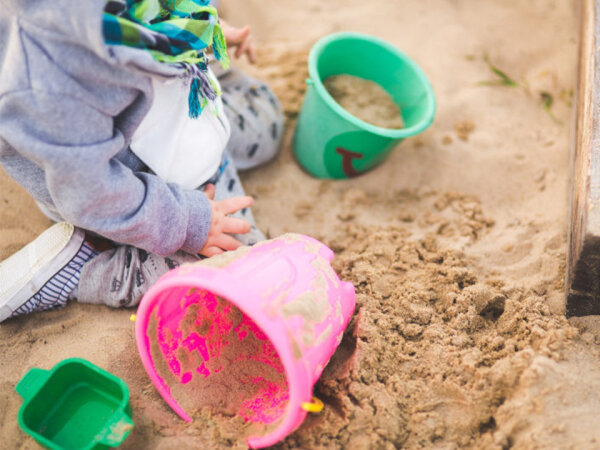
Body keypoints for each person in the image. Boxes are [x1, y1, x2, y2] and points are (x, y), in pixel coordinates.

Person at [0, 0, 284, 322]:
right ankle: (85, 266)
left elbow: (163, 9)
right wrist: (190, 223)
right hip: (138, 194)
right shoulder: (47, 75)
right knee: (240, 266)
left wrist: (201, 30)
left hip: (182, 116)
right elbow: (92, 195)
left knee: (268, 121)